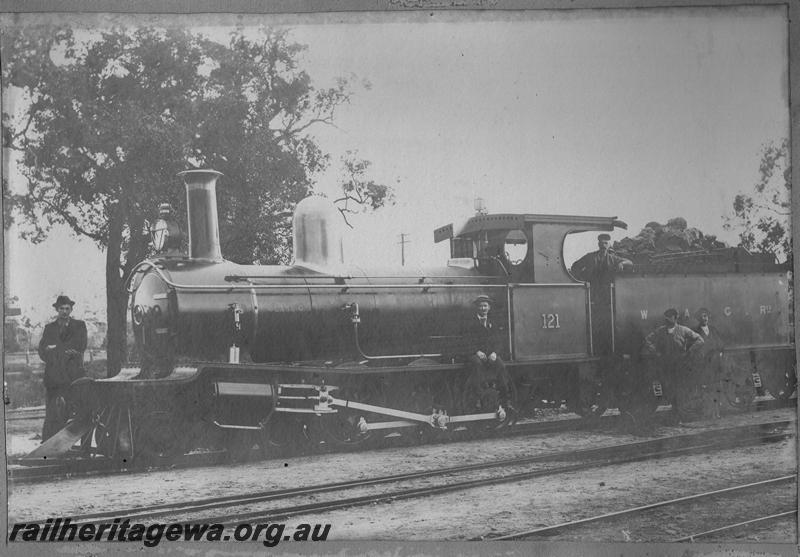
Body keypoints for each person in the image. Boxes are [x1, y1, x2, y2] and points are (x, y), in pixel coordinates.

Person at [570, 234, 633, 354]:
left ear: (609, 244)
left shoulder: (613, 258)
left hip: (607, 296)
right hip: (592, 294)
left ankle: (607, 348)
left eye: (605, 243)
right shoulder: (590, 257)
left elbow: (630, 262)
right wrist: (583, 281)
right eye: (601, 243)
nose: (603, 245)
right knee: (593, 321)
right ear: (598, 244)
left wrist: (622, 264)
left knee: (607, 322)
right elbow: (575, 266)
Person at [38, 295, 87, 441]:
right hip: (54, 376)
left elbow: (81, 345)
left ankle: (75, 442)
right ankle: (49, 442)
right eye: (61, 309)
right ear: (56, 310)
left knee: (76, 409)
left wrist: (55, 349)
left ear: (71, 309)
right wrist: (50, 352)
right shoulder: (49, 328)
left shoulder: (79, 326)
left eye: (67, 308)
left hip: (73, 375)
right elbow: (42, 350)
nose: (64, 311)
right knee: (53, 411)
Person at [643, 308, 704, 423]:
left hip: (680, 365)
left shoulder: (684, 330)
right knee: (669, 390)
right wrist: (655, 351)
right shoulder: (660, 331)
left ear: (675, 318)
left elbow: (700, 340)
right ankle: (675, 414)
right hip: (665, 366)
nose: (667, 319)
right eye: (666, 317)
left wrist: (689, 352)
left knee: (679, 390)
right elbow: (647, 340)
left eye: (669, 316)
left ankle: (678, 416)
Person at [461, 295, 512, 412]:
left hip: (490, 354)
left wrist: (495, 353)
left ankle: (506, 399)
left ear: (489, 307)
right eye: (480, 306)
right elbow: (467, 340)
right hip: (475, 353)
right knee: (477, 364)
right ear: (477, 308)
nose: (483, 308)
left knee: (501, 366)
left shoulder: (493, 321)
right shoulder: (469, 322)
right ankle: (478, 397)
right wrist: (477, 351)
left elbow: (499, 340)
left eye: (485, 306)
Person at [692, 308, 724, 418]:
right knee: (707, 389)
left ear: (708, 317)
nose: (704, 318)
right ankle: (708, 412)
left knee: (716, 388)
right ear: (698, 319)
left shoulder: (713, 330)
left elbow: (720, 344)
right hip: (704, 365)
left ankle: (717, 412)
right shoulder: (695, 331)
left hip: (715, 364)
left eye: (705, 316)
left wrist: (719, 353)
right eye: (702, 316)